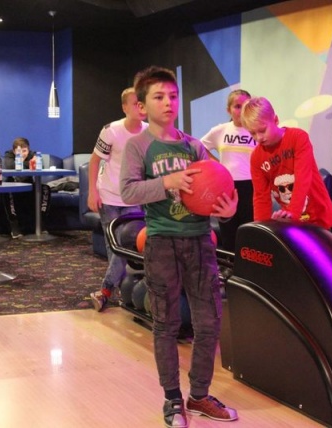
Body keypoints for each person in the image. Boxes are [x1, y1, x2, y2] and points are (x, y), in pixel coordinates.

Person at [120, 66, 239, 427]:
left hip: (200, 241)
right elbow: (128, 191)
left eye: (173, 96)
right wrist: (167, 182)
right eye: (159, 97)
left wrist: (228, 210)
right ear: (142, 106)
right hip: (161, 242)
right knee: (166, 323)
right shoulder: (138, 146)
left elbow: (218, 187)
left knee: (209, 321)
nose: (168, 102)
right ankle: (172, 399)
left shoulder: (194, 146)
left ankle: (199, 395)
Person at [88, 87, 148, 312]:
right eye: (134, 103)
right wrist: (92, 192)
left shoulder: (149, 132)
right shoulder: (111, 130)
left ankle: (105, 291)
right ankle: (115, 289)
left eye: (141, 103)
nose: (140, 107)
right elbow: (94, 161)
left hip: (134, 198)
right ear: (124, 107)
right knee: (114, 248)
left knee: (124, 246)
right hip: (109, 197)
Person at [240, 96, 332, 229]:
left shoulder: (298, 137)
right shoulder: (256, 157)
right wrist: (262, 228)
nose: (259, 137)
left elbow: (303, 178)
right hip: (292, 221)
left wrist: (292, 213)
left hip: (318, 215)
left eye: (262, 130)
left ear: (275, 120)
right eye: (252, 133)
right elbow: (260, 197)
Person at [200, 89, 255, 252]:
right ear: (228, 110)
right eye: (237, 106)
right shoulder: (220, 130)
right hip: (226, 187)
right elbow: (200, 147)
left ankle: (248, 265)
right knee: (229, 232)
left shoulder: (256, 130)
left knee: (250, 233)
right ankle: (230, 265)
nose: (242, 110)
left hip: (252, 187)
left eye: (246, 105)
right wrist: (217, 165)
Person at [0, 137, 51, 237]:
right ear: (14, 151)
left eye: (24, 151)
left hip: (29, 185)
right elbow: (11, 166)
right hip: (13, 185)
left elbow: (40, 166)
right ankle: (14, 226)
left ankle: (41, 223)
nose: (22, 154)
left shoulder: (33, 154)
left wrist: (29, 162)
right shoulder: (8, 155)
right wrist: (29, 163)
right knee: (7, 191)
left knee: (46, 189)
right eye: (19, 151)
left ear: (28, 150)